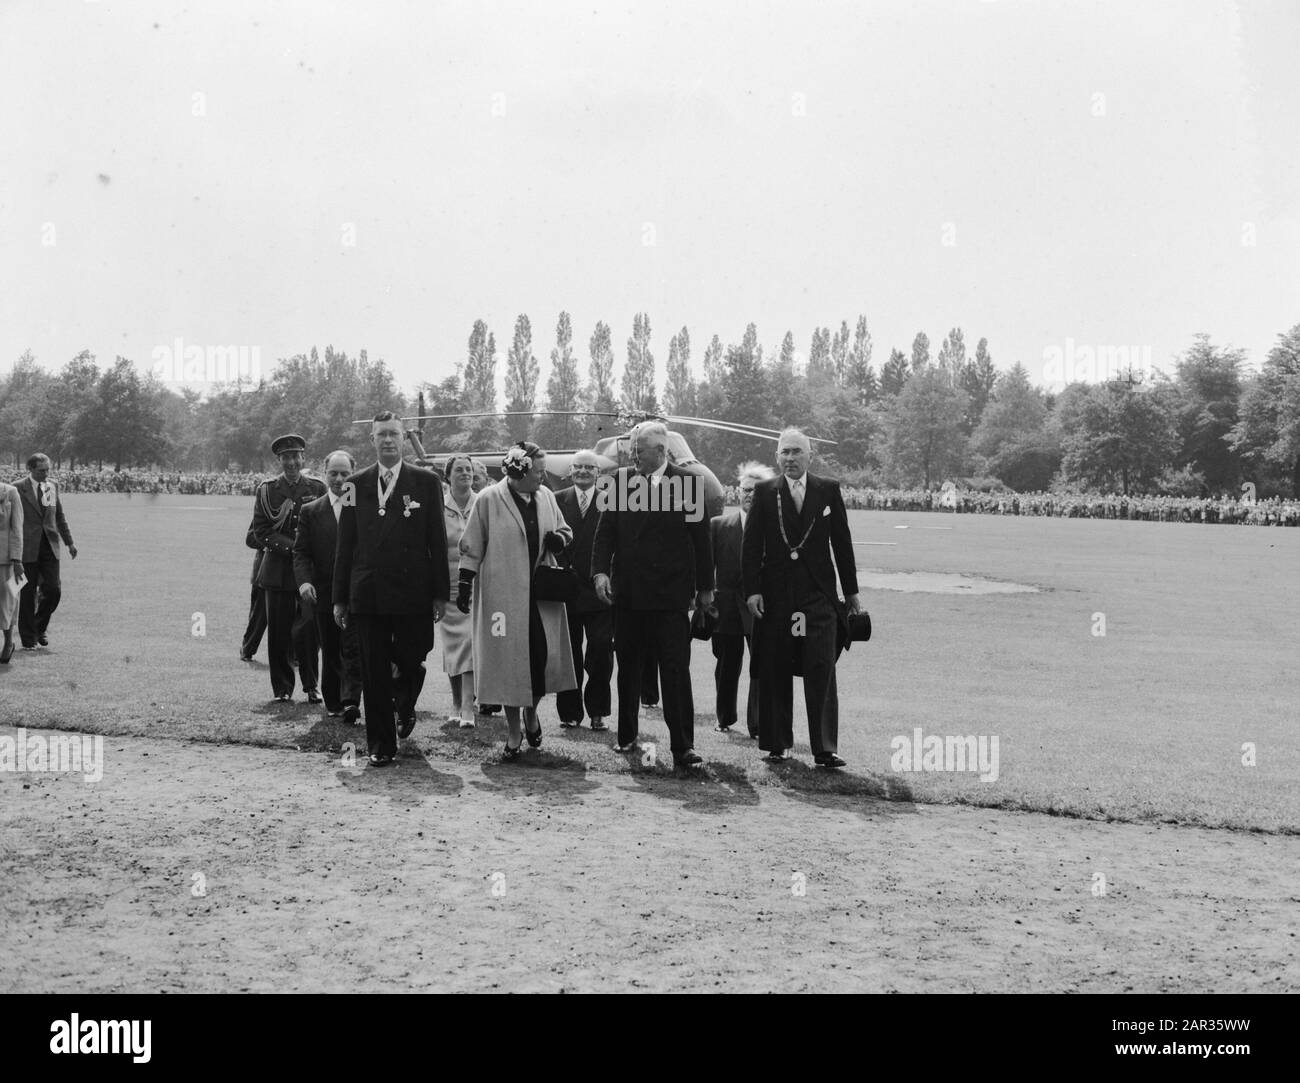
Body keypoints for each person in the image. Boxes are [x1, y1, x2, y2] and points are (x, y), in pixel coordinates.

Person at [591, 422, 714, 770]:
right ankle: (626, 736)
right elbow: (605, 534)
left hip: (672, 597)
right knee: (629, 669)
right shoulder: (618, 482)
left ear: (660, 451)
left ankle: (683, 747)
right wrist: (599, 572)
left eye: (638, 450)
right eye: (631, 450)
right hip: (628, 595)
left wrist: (705, 588)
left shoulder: (688, 484)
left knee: (675, 671)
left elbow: (701, 541)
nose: (633, 456)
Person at [333, 412, 450, 767]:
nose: (387, 440)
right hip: (368, 594)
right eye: (381, 434)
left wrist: (440, 594)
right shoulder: (355, 484)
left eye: (393, 435)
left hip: (413, 592)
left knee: (412, 658)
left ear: (403, 439)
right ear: (372, 440)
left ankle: (406, 698)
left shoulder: (426, 482)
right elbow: (345, 544)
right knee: (374, 670)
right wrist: (339, 598)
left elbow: (438, 542)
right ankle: (381, 745)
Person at [743, 427, 861, 768]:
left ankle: (825, 748)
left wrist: (850, 593)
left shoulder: (828, 490)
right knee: (776, 666)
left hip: (818, 596)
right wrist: (752, 590)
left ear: (810, 456)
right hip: (776, 597)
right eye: (785, 453)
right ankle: (776, 744)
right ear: (777, 457)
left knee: (821, 667)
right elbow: (751, 547)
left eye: (797, 452)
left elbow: (842, 543)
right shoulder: (765, 492)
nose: (791, 458)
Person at [456, 441, 576, 759]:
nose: (542, 477)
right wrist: (466, 583)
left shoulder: (547, 497)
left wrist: (560, 539)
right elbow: (471, 544)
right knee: (506, 665)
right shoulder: (488, 500)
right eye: (537, 472)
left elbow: (566, 529)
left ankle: (532, 713)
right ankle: (512, 732)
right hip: (502, 599)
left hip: (541, 598)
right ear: (518, 471)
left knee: (540, 662)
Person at [249, 434, 327, 703]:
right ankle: (282, 688)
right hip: (278, 571)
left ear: (303, 458)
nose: (291, 462)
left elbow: (327, 525)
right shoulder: (267, 489)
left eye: (296, 456)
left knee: (308, 633)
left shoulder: (318, 487)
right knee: (279, 633)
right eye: (286, 457)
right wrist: (294, 548)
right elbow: (260, 530)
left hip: (308, 574)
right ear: (279, 460)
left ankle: (311, 686)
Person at [293, 451, 364, 724]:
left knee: (354, 647)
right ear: (325, 474)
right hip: (323, 592)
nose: (338, 479)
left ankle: (350, 702)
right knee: (332, 647)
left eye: (344, 473)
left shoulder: (364, 508)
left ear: (353, 474)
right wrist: (304, 582)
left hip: (357, 591)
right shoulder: (311, 511)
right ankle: (334, 701)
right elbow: (301, 553)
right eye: (333, 473)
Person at [710, 462, 772, 737]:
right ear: (738, 492)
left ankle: (757, 724)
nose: (750, 495)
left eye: (757, 491)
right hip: (726, 609)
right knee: (726, 666)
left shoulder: (775, 530)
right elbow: (706, 568)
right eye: (746, 490)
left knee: (760, 666)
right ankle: (724, 717)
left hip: (762, 609)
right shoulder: (719, 525)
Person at [553, 450, 612, 731]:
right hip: (568, 589)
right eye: (578, 467)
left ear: (598, 473)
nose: (584, 472)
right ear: (571, 470)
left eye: (590, 467)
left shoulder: (611, 500)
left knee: (600, 651)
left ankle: (598, 711)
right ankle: (570, 713)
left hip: (601, 591)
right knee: (569, 654)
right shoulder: (557, 500)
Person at [16, 454, 77, 650]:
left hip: (50, 546)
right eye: (42, 470)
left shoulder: (51, 486)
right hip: (26, 548)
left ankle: (38, 626)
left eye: (48, 470)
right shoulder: (17, 488)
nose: (46, 474)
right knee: (27, 593)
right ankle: (28, 639)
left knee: (53, 590)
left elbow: (58, 516)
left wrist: (69, 542)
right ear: (30, 469)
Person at [439, 455, 478, 728]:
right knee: (452, 646)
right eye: (459, 470)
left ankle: (467, 706)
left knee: (469, 643)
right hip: (447, 584)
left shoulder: (483, 502)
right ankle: (455, 702)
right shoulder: (437, 506)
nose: (466, 473)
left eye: (469, 469)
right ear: (448, 476)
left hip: (476, 585)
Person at [0, 480, 23, 664]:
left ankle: (8, 642)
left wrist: (17, 559)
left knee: (8, 602)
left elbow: (17, 528)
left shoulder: (11, 492)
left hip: (6, 559)